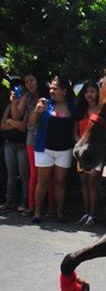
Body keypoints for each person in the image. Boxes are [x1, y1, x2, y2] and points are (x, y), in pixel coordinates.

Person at [27, 75, 76, 224]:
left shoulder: (72, 107)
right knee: (42, 181)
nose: (51, 91)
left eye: (55, 88)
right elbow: (30, 124)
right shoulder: (44, 104)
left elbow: (75, 129)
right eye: (51, 88)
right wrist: (36, 112)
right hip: (44, 149)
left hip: (64, 150)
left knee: (60, 182)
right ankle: (37, 212)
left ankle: (59, 213)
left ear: (64, 91)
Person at [13, 72, 51, 216]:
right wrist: (13, 102)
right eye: (26, 81)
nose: (29, 84)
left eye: (31, 80)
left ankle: (49, 207)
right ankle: (31, 205)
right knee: (34, 173)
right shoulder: (26, 97)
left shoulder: (49, 95)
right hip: (33, 137)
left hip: (48, 137)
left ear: (38, 80)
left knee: (49, 176)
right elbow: (17, 115)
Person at [74, 81, 100, 226]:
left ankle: (93, 214)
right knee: (84, 183)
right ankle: (86, 212)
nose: (89, 94)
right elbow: (75, 132)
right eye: (86, 92)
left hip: (96, 152)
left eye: (92, 91)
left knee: (93, 183)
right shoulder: (80, 111)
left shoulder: (101, 110)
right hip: (82, 152)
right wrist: (81, 144)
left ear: (97, 93)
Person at [0, 78, 29, 213]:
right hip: (9, 143)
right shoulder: (8, 106)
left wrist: (10, 121)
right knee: (11, 175)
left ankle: (25, 202)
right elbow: (2, 125)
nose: (17, 93)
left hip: (22, 144)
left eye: (20, 91)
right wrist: (12, 122)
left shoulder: (27, 106)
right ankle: (9, 201)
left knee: (24, 175)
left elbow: (22, 127)